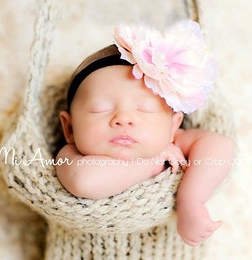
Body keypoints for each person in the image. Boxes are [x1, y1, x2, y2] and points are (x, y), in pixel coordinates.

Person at [55, 20, 235, 247]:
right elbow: (84, 181)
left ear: (173, 126)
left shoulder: (173, 140)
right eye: (100, 108)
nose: (123, 119)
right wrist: (152, 162)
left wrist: (191, 200)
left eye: (144, 109)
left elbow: (221, 147)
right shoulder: (71, 155)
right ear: (69, 128)